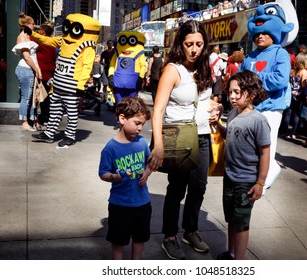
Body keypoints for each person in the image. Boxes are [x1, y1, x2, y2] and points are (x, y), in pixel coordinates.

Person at [148, 20, 221, 260]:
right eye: (189, 44)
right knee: (177, 189)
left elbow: (205, 99)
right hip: (178, 138)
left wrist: (214, 108)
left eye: (199, 44)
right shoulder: (173, 70)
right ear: (181, 44)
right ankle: (170, 237)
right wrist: (158, 145)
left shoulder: (204, 67)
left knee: (199, 187)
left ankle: (191, 230)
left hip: (201, 136)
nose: (194, 49)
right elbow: (157, 110)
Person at [239, 0, 298, 192]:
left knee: (266, 145)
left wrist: (253, 80)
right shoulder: (250, 56)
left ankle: (266, 177)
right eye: (257, 34)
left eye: (264, 33)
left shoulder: (280, 54)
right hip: (250, 109)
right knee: (251, 146)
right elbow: (239, 77)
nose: (260, 37)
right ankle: (256, 176)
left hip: (271, 107)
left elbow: (280, 80)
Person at [213, 70, 270, 260]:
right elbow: (228, 134)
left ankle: (239, 261)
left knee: (241, 223)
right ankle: (231, 253)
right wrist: (217, 126)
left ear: (252, 94)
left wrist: (260, 183)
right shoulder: (232, 114)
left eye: (238, 92)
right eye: (230, 92)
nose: (232, 96)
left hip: (246, 182)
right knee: (231, 218)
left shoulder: (258, 121)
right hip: (230, 176)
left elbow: (265, 152)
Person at [27, 14, 101, 148]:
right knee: (54, 110)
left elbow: (87, 66)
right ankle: (49, 134)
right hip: (58, 84)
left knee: (71, 112)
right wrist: (32, 34)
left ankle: (70, 136)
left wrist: (80, 84)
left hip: (72, 86)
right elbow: (47, 41)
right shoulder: (63, 40)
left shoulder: (87, 46)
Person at [98, 96, 152, 259]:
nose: (140, 128)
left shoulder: (142, 143)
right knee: (118, 242)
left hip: (142, 203)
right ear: (122, 118)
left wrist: (147, 172)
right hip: (120, 204)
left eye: (142, 124)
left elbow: (149, 163)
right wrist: (114, 177)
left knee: (139, 238)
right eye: (137, 123)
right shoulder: (110, 148)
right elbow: (103, 173)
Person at [12, 13, 42, 131]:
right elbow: (27, 57)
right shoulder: (22, 37)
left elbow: (33, 57)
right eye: (33, 23)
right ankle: (24, 122)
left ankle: (33, 121)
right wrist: (36, 69)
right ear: (27, 24)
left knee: (31, 97)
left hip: (29, 70)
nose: (35, 25)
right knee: (26, 97)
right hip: (25, 69)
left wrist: (37, 70)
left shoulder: (28, 37)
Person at [31, 21, 57, 128]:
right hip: (50, 74)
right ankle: (43, 119)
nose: (38, 31)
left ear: (43, 31)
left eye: (40, 30)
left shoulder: (41, 42)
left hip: (43, 75)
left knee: (41, 99)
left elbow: (30, 36)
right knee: (45, 99)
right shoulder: (52, 42)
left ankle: (42, 118)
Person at [283, 52, 307, 140]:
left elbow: (290, 82)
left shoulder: (292, 70)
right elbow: (303, 85)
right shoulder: (304, 71)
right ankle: (293, 133)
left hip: (291, 93)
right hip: (298, 95)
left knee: (288, 113)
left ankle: (285, 131)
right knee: (297, 114)